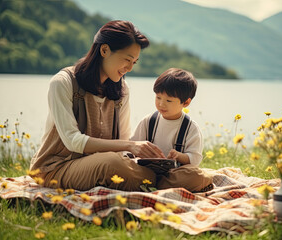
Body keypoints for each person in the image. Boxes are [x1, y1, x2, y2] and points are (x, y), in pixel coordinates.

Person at [29, 20, 212, 193]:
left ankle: (159, 181)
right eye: (127, 59)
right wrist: (132, 146)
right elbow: (72, 141)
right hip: (56, 169)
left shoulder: (121, 89)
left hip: (108, 164)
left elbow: (123, 142)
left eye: (134, 62)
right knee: (111, 164)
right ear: (105, 50)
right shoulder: (63, 83)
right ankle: (164, 182)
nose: (130, 68)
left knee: (192, 175)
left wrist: (140, 156)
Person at [130, 68, 213, 192]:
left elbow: (195, 159)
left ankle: (154, 186)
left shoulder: (191, 128)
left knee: (196, 176)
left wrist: (180, 156)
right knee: (122, 166)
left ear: (186, 103)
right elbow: (133, 145)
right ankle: (155, 185)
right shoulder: (149, 121)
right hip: (146, 172)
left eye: (168, 100)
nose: (161, 104)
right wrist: (140, 151)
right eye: (158, 98)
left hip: (174, 175)